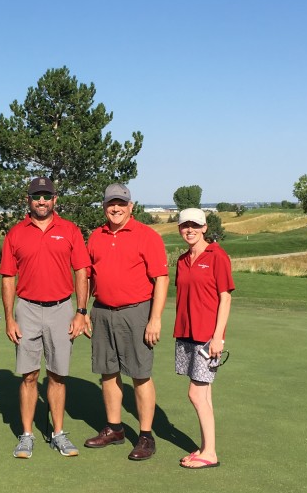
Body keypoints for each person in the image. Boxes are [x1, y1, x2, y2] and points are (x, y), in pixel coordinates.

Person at [0, 176, 90, 459]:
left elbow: (81, 272)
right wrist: (10, 318)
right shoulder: (16, 233)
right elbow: (7, 278)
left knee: (58, 374)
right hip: (26, 308)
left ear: (55, 199)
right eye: (36, 196)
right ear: (29, 200)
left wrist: (81, 311)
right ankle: (26, 436)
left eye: (46, 196)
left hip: (62, 308)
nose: (41, 201)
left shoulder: (70, 230)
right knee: (29, 375)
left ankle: (58, 433)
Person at [84, 183, 169, 461]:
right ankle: (115, 428)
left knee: (140, 373)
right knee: (107, 372)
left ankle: (146, 436)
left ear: (131, 206)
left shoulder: (147, 236)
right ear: (104, 206)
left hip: (136, 311)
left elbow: (161, 279)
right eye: (111, 204)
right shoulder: (96, 236)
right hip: (102, 311)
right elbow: (87, 276)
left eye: (121, 203)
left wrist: (154, 318)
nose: (116, 208)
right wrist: (83, 311)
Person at [173, 207, 234, 469]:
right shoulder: (182, 260)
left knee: (196, 394)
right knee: (204, 394)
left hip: (207, 338)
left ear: (205, 228)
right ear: (179, 228)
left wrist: (218, 336)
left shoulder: (217, 256)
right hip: (186, 333)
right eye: (185, 225)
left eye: (195, 226)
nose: (190, 230)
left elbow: (225, 297)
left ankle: (210, 454)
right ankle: (206, 447)